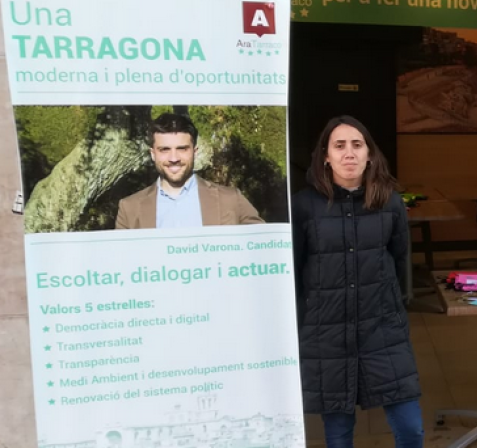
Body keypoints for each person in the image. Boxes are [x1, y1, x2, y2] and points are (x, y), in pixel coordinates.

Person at [291, 116, 422, 448]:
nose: (348, 153)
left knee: (411, 429)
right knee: (338, 435)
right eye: (339, 145)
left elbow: (400, 259)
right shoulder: (305, 205)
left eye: (357, 144)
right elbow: (295, 268)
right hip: (327, 333)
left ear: (370, 155)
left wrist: (396, 307)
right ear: (325, 156)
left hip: (382, 329)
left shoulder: (390, 202)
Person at [115, 113, 262, 229]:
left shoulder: (231, 200)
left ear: (194, 152)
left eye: (182, 149)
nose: (174, 158)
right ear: (153, 154)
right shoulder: (129, 209)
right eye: (164, 149)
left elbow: (264, 247)